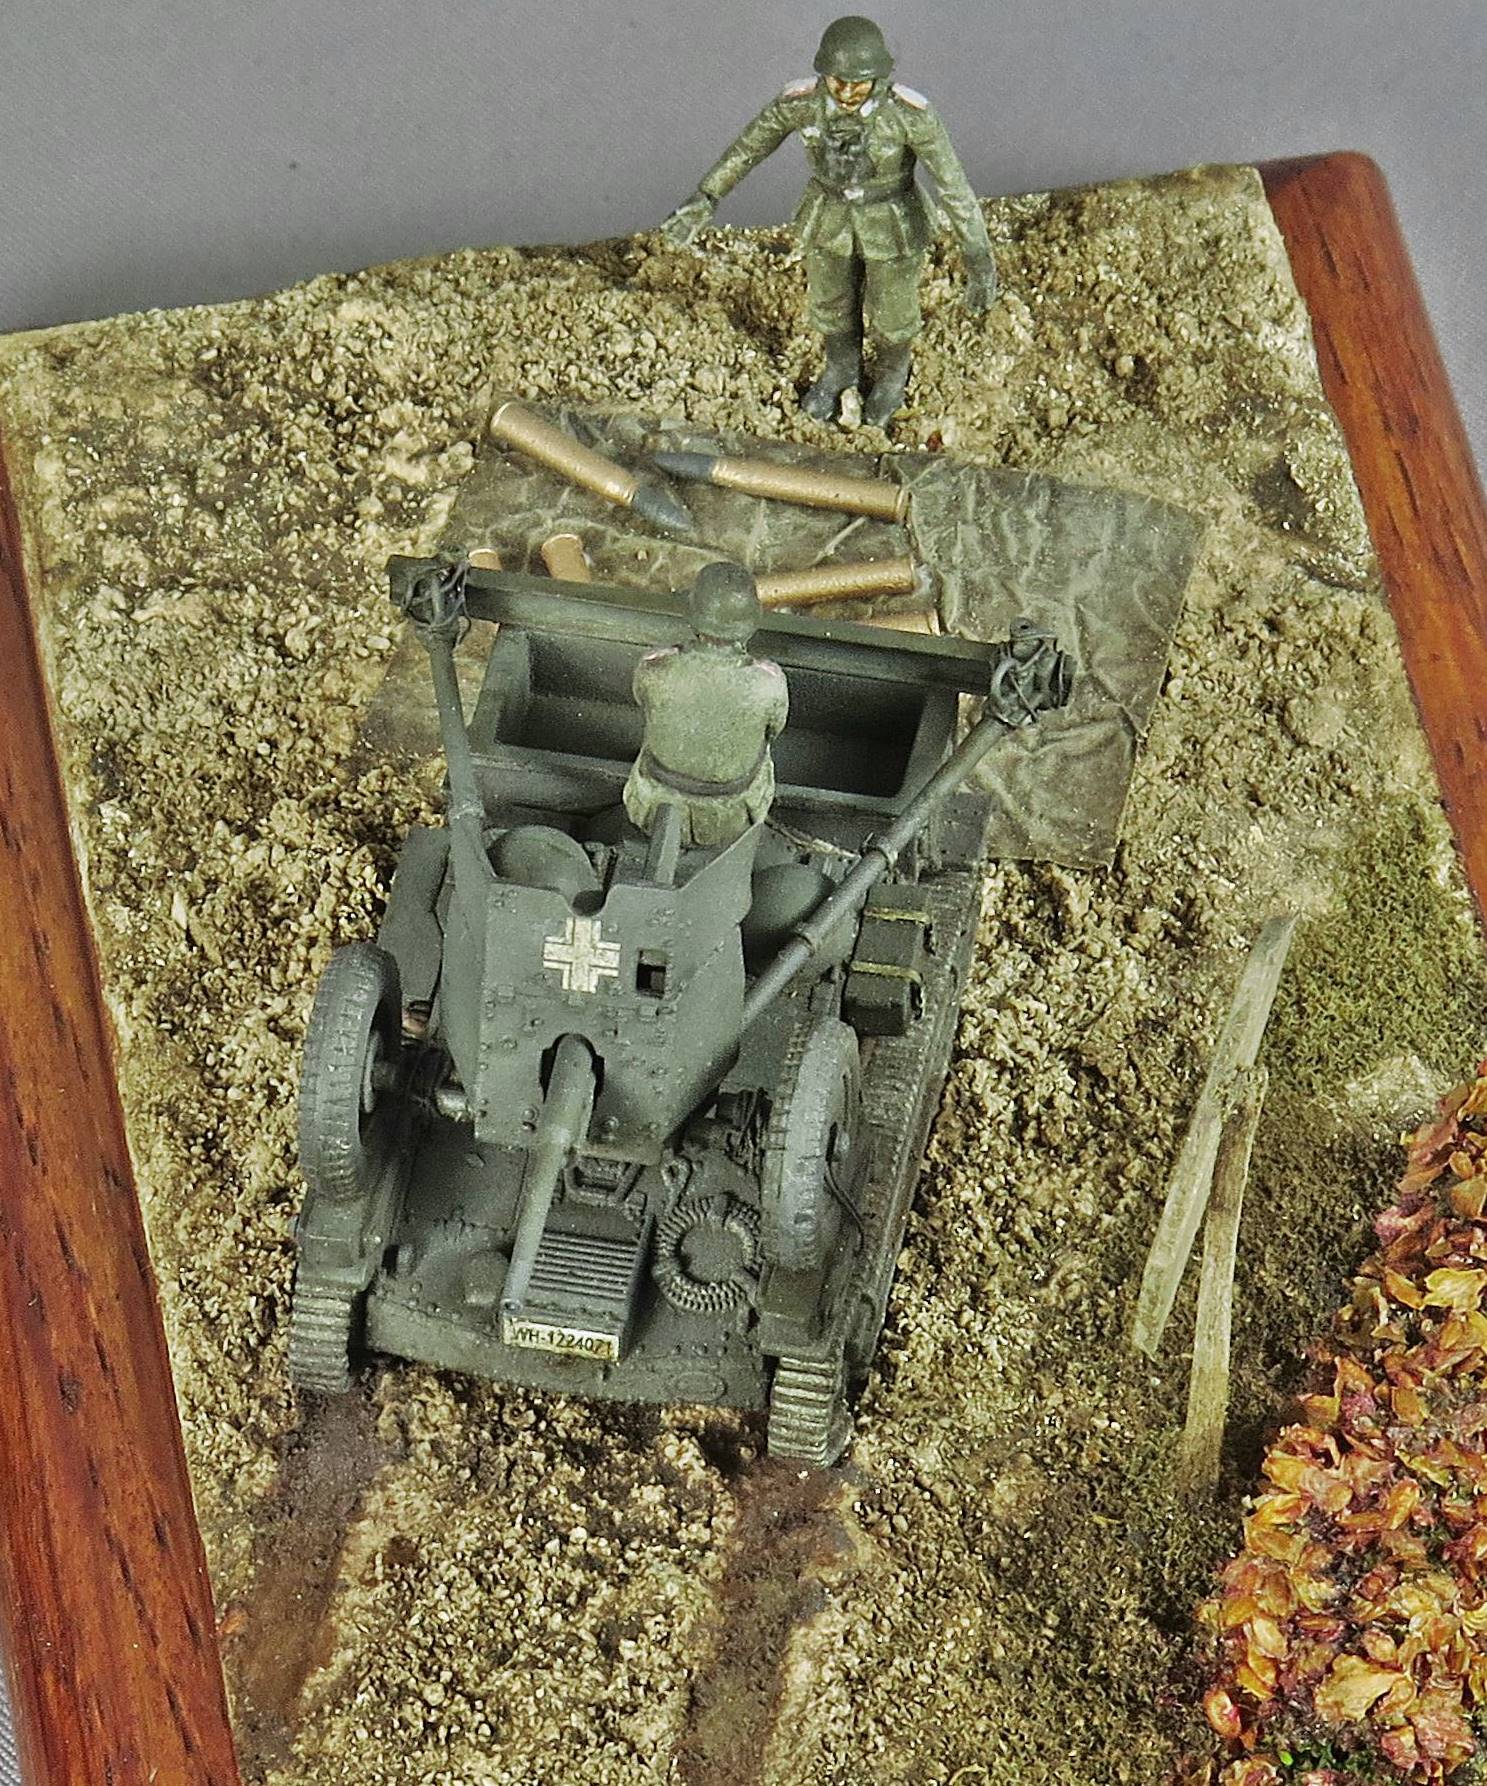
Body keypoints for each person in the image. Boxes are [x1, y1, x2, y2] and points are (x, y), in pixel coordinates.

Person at [661, 14, 998, 427]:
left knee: (893, 312)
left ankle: (893, 375)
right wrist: (706, 197)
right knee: (830, 302)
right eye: (838, 81)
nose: (848, 92)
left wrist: (978, 257)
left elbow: (954, 186)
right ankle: (841, 369)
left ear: (879, 77)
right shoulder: (802, 105)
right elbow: (748, 149)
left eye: (860, 82)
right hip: (828, 218)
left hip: (892, 223)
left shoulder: (908, 115)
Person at [623, 562, 788, 848]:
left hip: (653, 804)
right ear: (750, 622)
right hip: (731, 815)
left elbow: (643, 703)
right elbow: (773, 730)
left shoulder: (654, 667)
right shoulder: (768, 683)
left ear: (694, 614)